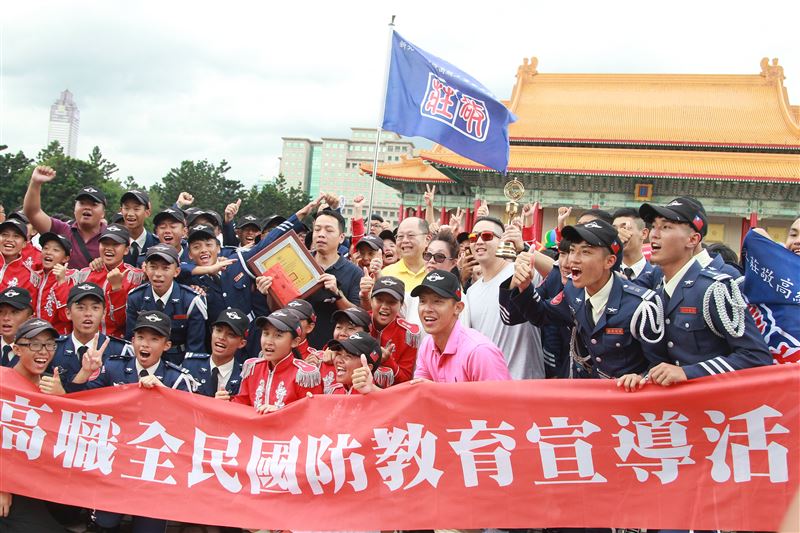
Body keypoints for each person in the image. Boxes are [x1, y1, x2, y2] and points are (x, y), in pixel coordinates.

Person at [617, 198, 772, 390]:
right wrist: (643, 376)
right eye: (654, 226)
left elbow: (756, 357)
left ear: (692, 240)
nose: (654, 234)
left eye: (666, 227)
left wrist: (689, 372)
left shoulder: (715, 289)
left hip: (712, 403)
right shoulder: (657, 288)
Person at [66, 309, 194, 533]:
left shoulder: (177, 379)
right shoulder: (113, 367)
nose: (145, 344)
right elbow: (79, 403)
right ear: (132, 340)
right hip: (113, 462)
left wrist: (165, 393)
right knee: (103, 525)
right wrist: (85, 372)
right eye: (141, 337)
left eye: (154, 339)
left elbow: (190, 424)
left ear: (166, 345)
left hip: (153, 469)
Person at [506, 220, 664, 380]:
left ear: (609, 261)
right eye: (572, 250)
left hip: (628, 393)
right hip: (587, 389)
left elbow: (661, 364)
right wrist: (525, 287)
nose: (573, 260)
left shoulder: (641, 306)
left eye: (585, 252)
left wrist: (642, 378)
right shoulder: (573, 291)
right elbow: (542, 314)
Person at [0, 318, 68, 533]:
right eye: (35, 344)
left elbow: (71, 432)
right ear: (16, 349)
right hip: (9, 481)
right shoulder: (3, 382)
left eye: (49, 345)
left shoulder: (52, 384)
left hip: (41, 479)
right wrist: (2, 486)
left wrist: (61, 399)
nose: (43, 351)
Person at [466, 216, 546, 380]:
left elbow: (559, 275)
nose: (479, 242)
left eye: (487, 236)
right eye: (473, 237)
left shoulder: (521, 270)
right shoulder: (471, 292)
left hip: (524, 382)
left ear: (503, 240)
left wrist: (524, 247)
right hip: (487, 383)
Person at [411, 269, 511, 382]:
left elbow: (500, 394)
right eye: (422, 301)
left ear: (458, 308)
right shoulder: (427, 344)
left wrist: (436, 389)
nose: (427, 309)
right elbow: (421, 388)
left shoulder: (479, 351)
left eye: (437, 301)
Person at [126, 244, 208, 363]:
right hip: (144, 360)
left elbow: (195, 348)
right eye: (153, 267)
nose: (158, 274)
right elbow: (131, 340)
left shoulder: (191, 300)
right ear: (145, 268)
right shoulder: (136, 297)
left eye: (165, 268)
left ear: (176, 271)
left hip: (179, 361)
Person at [227, 309, 322, 411]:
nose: (268, 341)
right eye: (266, 333)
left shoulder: (304, 376)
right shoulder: (253, 368)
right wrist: (224, 403)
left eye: (278, 335)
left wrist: (280, 413)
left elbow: (313, 414)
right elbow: (240, 407)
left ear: (295, 342)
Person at [23, 166, 107, 269]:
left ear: (103, 213)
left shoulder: (112, 237)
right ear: (74, 209)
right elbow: (32, 212)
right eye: (82, 203)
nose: (87, 207)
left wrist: (106, 263)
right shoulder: (61, 229)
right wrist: (35, 183)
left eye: (93, 204)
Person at [50, 282, 133, 385]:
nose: (88, 314)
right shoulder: (53, 349)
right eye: (81, 308)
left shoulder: (121, 350)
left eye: (95, 308)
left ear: (104, 313)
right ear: (68, 313)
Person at [306, 209, 363, 348]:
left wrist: (337, 294)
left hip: (336, 349)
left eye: (329, 230)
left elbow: (357, 316)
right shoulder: (301, 263)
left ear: (341, 237)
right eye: (317, 229)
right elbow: (281, 307)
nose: (321, 234)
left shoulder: (354, 272)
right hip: (299, 347)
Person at [75, 224, 145, 337]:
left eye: (115, 244)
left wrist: (117, 289)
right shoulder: (85, 274)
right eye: (105, 243)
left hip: (118, 341)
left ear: (126, 249)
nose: (108, 248)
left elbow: (122, 321)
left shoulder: (136, 277)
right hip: (87, 339)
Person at [182, 308, 248, 397]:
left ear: (241, 343)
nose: (221, 337)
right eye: (218, 330)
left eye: (231, 334)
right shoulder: (190, 365)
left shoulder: (244, 376)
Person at [366, 276, 419, 385]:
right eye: (379, 300)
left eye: (392, 302)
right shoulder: (358, 322)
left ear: (401, 305)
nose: (385, 306)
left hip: (392, 393)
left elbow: (405, 380)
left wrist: (388, 361)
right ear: (371, 301)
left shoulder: (408, 334)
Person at [33, 232, 75, 334]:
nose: (48, 252)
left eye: (55, 250)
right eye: (45, 248)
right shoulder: (34, 275)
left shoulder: (72, 277)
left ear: (65, 258)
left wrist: (61, 281)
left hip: (58, 337)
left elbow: (66, 316)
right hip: (33, 336)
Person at [326, 331, 383, 395]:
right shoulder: (334, 392)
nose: (339, 360)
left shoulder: (380, 397)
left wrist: (372, 390)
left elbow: (390, 399)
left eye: (348, 356)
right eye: (338, 354)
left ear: (368, 367)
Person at [380, 217, 430, 291]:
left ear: (427, 239)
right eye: (400, 236)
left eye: (410, 235)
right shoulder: (386, 274)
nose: (405, 240)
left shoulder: (436, 273)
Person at [0, 217, 40, 295]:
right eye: (5, 235)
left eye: (16, 236)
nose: (9, 240)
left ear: (24, 243)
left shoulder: (29, 277)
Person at [612, 207, 655, 281]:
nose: (619, 234)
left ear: (644, 233)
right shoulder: (607, 273)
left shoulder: (655, 276)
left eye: (624, 228)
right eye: (614, 229)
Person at [119, 189, 158, 267]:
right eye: (126, 208)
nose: (130, 214)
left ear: (147, 212)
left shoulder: (157, 244)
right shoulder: (114, 243)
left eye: (136, 209)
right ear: (121, 211)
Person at [0, 287, 34, 368]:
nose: (6, 318)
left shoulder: (39, 351)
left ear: (29, 319)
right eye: (0, 312)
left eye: (14, 312)